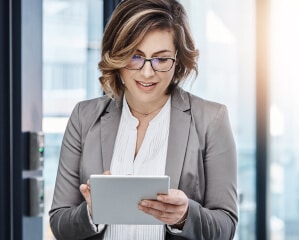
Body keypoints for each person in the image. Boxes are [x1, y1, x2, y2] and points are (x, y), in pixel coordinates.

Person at [49, 0, 238, 239]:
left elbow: (226, 226)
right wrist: (90, 212)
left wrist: (185, 216)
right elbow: (59, 223)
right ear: (116, 56)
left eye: (161, 59)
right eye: (135, 57)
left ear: (177, 60)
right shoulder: (84, 118)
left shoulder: (211, 119)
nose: (147, 72)